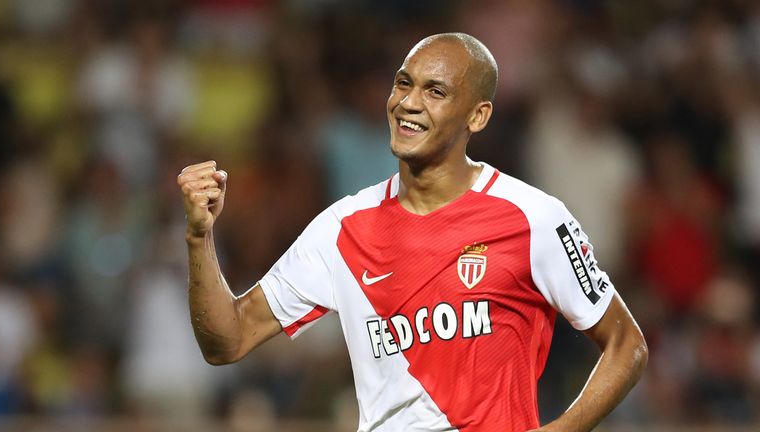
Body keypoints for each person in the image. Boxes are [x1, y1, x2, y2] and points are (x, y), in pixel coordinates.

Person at [177, 33, 648, 432]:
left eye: (435, 91)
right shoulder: (342, 228)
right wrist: (200, 239)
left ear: (477, 116)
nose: (408, 102)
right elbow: (228, 340)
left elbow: (626, 344)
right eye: (403, 83)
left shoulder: (534, 218)